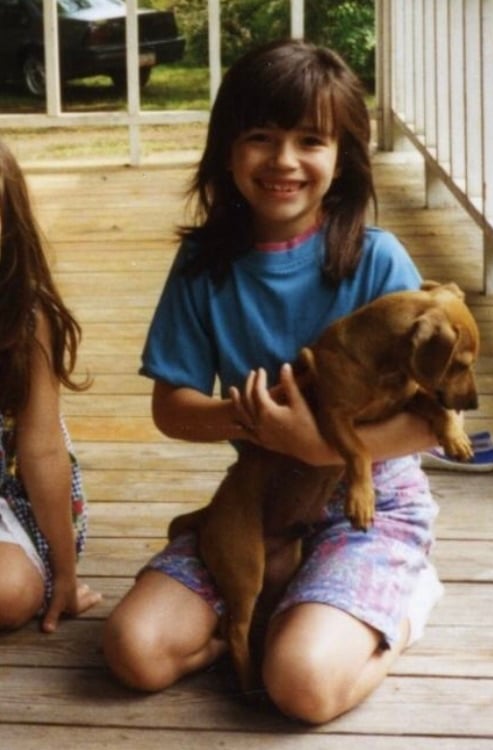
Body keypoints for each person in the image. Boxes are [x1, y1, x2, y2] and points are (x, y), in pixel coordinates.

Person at [102, 40, 445, 724]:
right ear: (227, 151)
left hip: (370, 499)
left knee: (301, 687)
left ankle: (399, 612)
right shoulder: (205, 265)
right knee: (133, 651)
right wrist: (248, 420)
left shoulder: (376, 263)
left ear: (343, 156)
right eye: (261, 137)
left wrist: (320, 446)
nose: (283, 161)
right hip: (258, 501)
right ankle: (272, 613)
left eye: (309, 141)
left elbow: (431, 421)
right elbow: (173, 407)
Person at [0, 139, 101, 634]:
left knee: (10, 595)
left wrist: (65, 574)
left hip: (11, 493)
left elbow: (40, 450)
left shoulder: (26, 315)